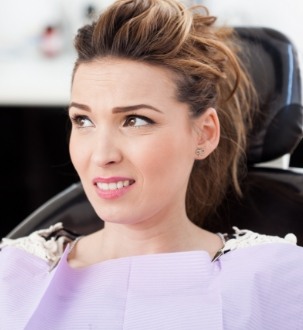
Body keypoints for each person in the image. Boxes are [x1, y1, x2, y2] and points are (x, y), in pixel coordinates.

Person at [0, 0, 302, 328]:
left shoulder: (275, 280)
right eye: (83, 120)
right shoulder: (18, 271)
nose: (101, 155)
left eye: (136, 120)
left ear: (204, 134)